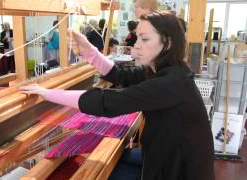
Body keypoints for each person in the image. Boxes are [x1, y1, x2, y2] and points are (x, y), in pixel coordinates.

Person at [21, 11, 215, 180]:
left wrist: (47, 94)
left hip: (177, 171)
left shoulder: (171, 83)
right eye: (137, 37)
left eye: (145, 39)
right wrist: (88, 49)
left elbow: (109, 103)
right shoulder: (162, 71)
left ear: (168, 42)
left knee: (100, 170)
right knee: (113, 160)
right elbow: (120, 75)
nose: (136, 46)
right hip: (163, 157)